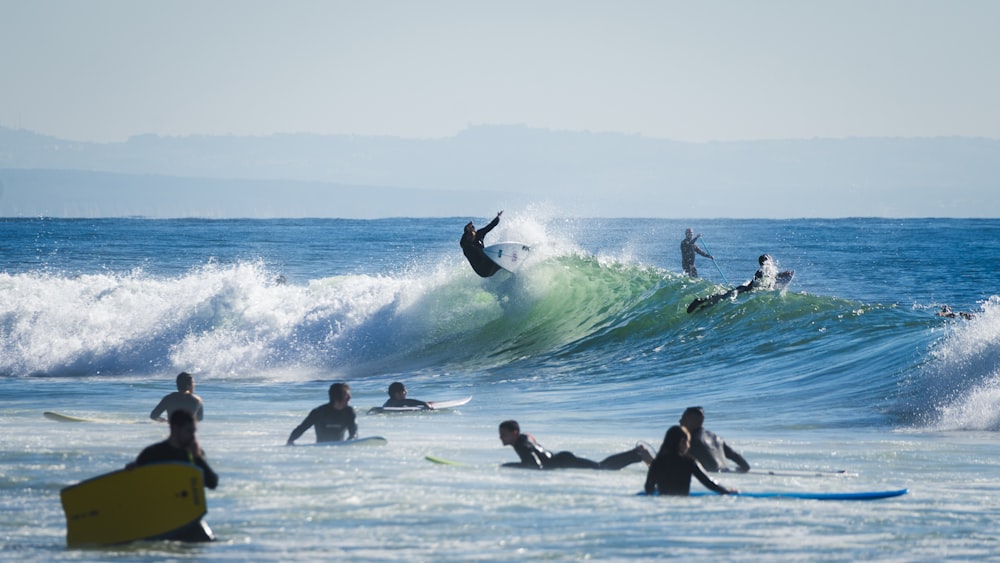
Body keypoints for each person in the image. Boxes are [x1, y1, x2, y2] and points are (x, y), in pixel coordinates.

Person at [128, 408, 218, 541]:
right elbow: (134, 489)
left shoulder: (194, 454)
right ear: (175, 429)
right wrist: (132, 471)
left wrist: (197, 458)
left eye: (194, 432)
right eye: (189, 431)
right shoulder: (152, 453)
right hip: (158, 516)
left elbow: (212, 483)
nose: (193, 437)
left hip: (186, 518)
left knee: (209, 542)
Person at [498, 420, 652, 470]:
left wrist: (509, 466)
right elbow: (531, 438)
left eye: (503, 434)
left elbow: (537, 465)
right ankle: (635, 454)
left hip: (562, 460)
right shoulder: (524, 438)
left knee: (601, 468)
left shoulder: (521, 445)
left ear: (515, 433)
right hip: (562, 458)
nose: (501, 437)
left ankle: (637, 454)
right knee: (600, 466)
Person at [644, 425, 736, 496]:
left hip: (662, 503)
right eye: (688, 442)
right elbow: (708, 483)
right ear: (682, 441)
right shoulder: (688, 462)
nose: (688, 446)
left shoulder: (657, 463)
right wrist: (726, 491)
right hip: (683, 502)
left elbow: (649, 488)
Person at [678, 406, 750, 473]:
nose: (680, 421)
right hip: (726, 473)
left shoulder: (690, 441)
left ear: (693, 421)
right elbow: (745, 465)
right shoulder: (715, 438)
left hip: (715, 477)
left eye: (684, 418)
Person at [287, 382, 358, 444]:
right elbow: (302, 428)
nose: (350, 397)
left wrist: (348, 444)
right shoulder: (318, 412)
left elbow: (354, 433)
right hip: (321, 449)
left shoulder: (349, 412)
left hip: (338, 450)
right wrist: (290, 441)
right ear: (337, 396)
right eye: (347, 395)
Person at [460, 211, 504, 277]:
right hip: (482, 271)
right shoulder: (466, 246)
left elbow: (490, 226)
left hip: (490, 265)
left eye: (472, 234)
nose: (471, 237)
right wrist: (467, 229)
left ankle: (506, 265)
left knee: (495, 257)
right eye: (469, 235)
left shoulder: (479, 234)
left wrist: (498, 217)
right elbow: (462, 243)